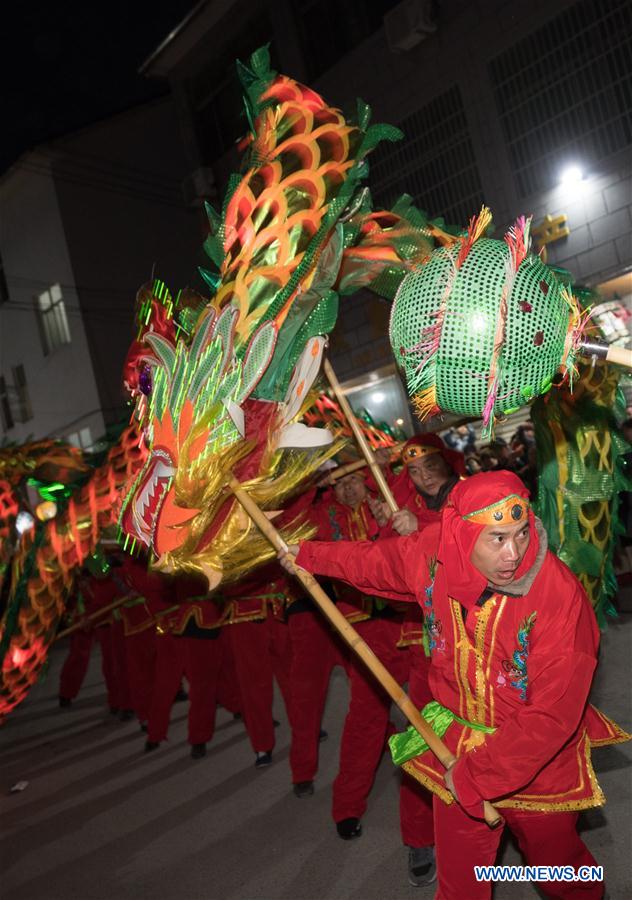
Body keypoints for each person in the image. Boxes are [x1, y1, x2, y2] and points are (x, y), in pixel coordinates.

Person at [280, 471, 629, 899]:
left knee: (561, 872)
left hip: (536, 758)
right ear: (461, 535)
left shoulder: (558, 595)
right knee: (461, 884)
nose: (514, 553)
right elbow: (377, 561)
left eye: (521, 533)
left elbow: (550, 715)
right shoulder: (435, 552)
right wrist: (308, 555)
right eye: (497, 539)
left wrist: (477, 776)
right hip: (459, 743)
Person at [370, 434, 464, 887]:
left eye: (430, 465)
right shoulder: (402, 510)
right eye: (414, 470)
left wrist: (422, 527)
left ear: (447, 462)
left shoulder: (472, 496)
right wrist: (394, 531)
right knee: (422, 740)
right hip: (430, 646)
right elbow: (389, 574)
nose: (423, 476)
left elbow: (469, 548)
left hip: (483, 645)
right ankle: (419, 839)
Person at [309, 469, 409, 840]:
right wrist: (310, 486)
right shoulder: (323, 516)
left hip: (409, 621)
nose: (349, 488)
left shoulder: (385, 500)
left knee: (436, 710)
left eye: (354, 478)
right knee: (366, 716)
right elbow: (290, 521)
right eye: (340, 482)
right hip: (363, 630)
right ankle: (347, 806)